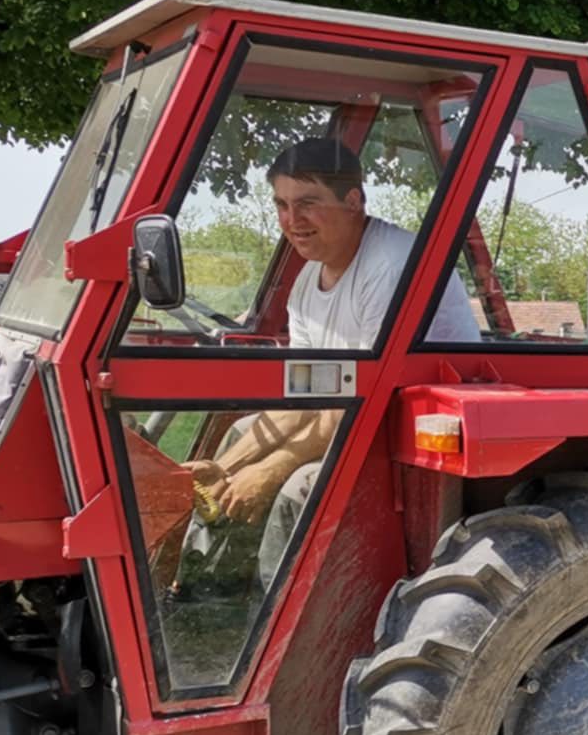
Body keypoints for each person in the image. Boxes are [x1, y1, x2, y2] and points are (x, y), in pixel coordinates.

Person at [181, 136, 478, 591]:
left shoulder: (391, 264)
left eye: (308, 203)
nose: (291, 220)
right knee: (242, 434)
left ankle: (272, 623)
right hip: (361, 412)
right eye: (281, 204)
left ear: (353, 200)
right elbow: (305, 392)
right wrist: (229, 467)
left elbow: (362, 400)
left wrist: (270, 468)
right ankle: (204, 589)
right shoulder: (307, 280)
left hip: (410, 433)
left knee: (298, 488)